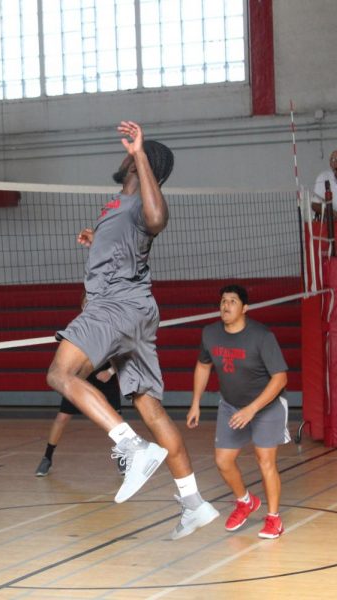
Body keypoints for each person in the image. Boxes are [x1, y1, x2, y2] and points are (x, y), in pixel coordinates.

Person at [47, 120, 219, 541]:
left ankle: (130, 446)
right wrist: (98, 240)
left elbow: (157, 218)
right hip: (137, 308)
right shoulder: (116, 207)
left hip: (115, 305)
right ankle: (193, 503)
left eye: (133, 153)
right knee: (150, 406)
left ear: (143, 165)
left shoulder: (144, 201)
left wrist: (142, 153)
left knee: (60, 374)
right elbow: (129, 240)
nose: (124, 154)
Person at [186, 284, 289, 539]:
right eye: (223, 301)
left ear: (245, 308)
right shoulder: (210, 333)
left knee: (265, 461)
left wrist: (252, 409)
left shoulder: (262, 336)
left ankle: (274, 519)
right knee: (223, 461)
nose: (226, 305)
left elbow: (280, 379)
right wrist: (195, 403)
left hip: (265, 406)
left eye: (232, 301)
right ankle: (245, 501)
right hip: (232, 405)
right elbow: (202, 366)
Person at [36, 364, 123, 477]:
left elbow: (124, 356)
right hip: (80, 377)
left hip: (105, 378)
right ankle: (47, 457)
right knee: (62, 417)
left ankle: (123, 455)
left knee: (115, 419)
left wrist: (110, 372)